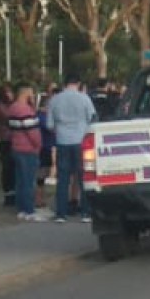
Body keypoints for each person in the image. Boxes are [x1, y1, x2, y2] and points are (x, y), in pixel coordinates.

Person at [46, 74, 96, 223]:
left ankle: (61, 213)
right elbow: (92, 118)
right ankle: (86, 212)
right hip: (81, 141)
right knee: (83, 178)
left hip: (62, 141)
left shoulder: (55, 100)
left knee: (63, 179)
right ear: (78, 83)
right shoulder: (84, 99)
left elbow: (49, 125)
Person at [6, 85, 46, 221]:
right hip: (28, 149)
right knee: (29, 181)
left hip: (16, 147)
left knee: (20, 180)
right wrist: (38, 145)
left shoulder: (12, 108)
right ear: (26, 93)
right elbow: (32, 131)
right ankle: (29, 210)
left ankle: (22, 209)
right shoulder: (24, 109)